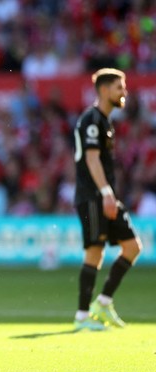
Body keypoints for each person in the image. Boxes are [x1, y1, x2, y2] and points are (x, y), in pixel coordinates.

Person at [72, 68, 142, 331]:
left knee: (132, 247)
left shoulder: (104, 121)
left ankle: (102, 302)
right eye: (119, 87)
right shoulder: (91, 120)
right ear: (104, 90)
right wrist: (106, 193)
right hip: (93, 197)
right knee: (94, 252)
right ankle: (81, 317)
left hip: (103, 195)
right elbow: (91, 159)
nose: (124, 92)